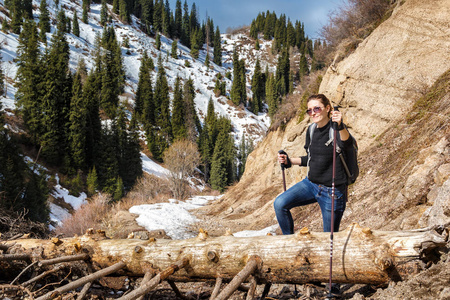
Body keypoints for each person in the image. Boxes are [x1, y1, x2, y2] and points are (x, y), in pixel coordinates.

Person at [274, 94, 353, 235]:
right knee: (280, 204)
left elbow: (347, 144)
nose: (313, 113)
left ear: (327, 108)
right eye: (309, 110)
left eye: (317, 108)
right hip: (310, 185)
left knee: (328, 238)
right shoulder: (311, 130)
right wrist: (289, 160)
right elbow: (311, 159)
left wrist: (340, 126)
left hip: (332, 192)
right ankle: (289, 242)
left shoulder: (336, 130)